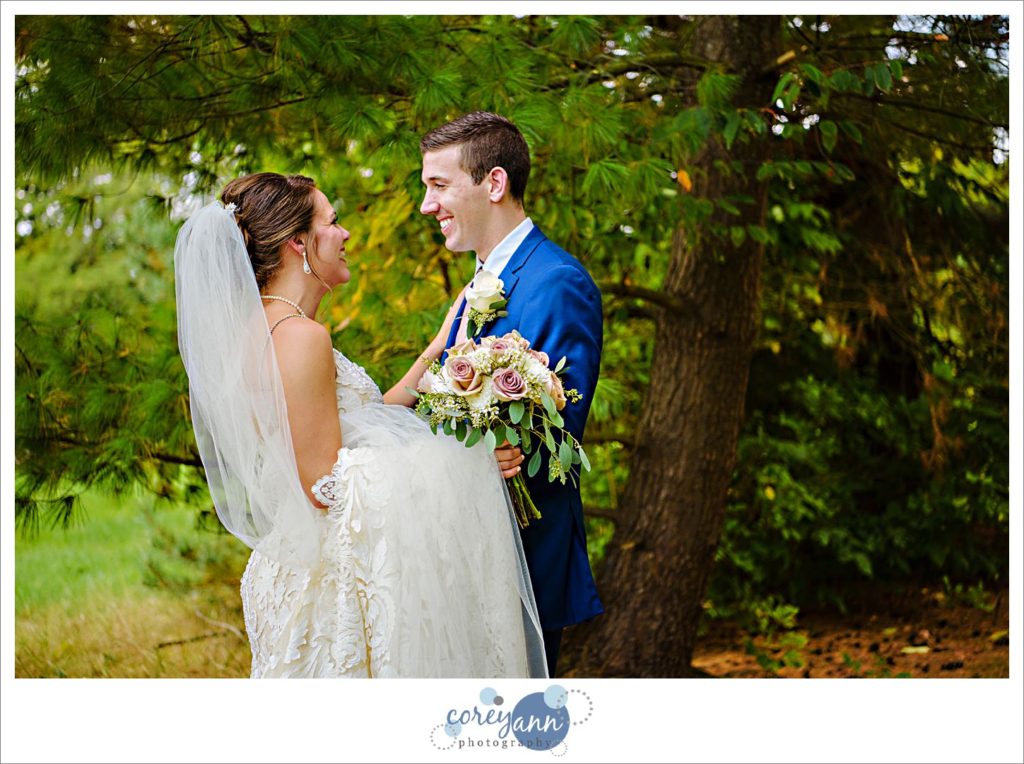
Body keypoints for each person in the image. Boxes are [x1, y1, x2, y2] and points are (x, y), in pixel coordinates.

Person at [173, 172, 546, 678]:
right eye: (332, 222)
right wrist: (468, 458)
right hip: (331, 585)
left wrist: (435, 353)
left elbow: (355, 426)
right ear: (298, 244)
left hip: (290, 568)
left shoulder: (259, 331)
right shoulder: (300, 337)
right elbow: (325, 485)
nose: (345, 234)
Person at [415, 112, 604, 676]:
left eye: (438, 186)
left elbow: (553, 440)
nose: (428, 206)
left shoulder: (556, 282)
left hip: (523, 563)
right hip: (470, 560)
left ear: (493, 184)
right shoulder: (481, 284)